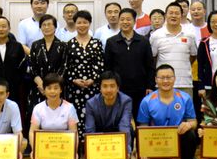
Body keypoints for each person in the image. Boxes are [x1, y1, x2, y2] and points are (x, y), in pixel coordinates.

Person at [137, 64, 199, 159]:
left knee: (190, 134)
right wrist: (143, 150)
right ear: (156, 80)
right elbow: (143, 127)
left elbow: (194, 121)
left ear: (174, 78)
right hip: (157, 143)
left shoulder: (185, 98)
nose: (165, 81)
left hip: (178, 138)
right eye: (161, 78)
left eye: (169, 77)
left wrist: (188, 125)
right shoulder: (147, 101)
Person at [64, 10, 104, 150]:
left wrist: (93, 79)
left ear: (90, 23)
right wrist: (74, 80)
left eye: (85, 22)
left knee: (93, 115)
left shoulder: (97, 43)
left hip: (93, 88)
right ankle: (78, 148)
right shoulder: (69, 44)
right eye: (79, 22)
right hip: (75, 89)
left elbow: (101, 64)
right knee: (76, 117)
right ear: (75, 24)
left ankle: (92, 147)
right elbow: (66, 66)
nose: (82, 25)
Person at [104, 8, 154, 119]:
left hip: (140, 89)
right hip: (119, 89)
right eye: (122, 19)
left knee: (140, 118)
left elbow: (150, 66)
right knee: (119, 118)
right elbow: (108, 67)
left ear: (134, 21)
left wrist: (150, 86)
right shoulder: (111, 42)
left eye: (128, 19)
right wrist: (110, 86)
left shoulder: (144, 41)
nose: (125, 22)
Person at [84, 71, 133, 159]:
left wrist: (126, 152)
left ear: (118, 88)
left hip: (117, 133)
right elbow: (90, 129)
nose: (109, 90)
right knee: (92, 132)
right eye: (105, 86)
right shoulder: (91, 103)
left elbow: (124, 125)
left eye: (112, 86)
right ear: (100, 88)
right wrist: (90, 154)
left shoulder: (126, 101)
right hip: (99, 133)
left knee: (130, 129)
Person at [29, 73, 78, 159]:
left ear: (61, 90)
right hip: (46, 146)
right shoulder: (38, 108)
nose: (52, 91)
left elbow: (74, 132)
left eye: (56, 88)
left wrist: (74, 151)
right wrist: (34, 150)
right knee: (40, 146)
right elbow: (32, 131)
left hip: (63, 146)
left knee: (72, 156)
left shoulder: (69, 108)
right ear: (44, 90)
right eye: (49, 88)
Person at [149, 2, 198, 98]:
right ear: (165, 15)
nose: (174, 16)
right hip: (163, 83)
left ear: (182, 15)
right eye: (171, 13)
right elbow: (153, 58)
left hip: (185, 84)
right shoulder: (156, 36)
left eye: (177, 13)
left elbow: (193, 56)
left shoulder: (190, 35)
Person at [29, 14, 67, 111]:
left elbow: (64, 67)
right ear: (40, 27)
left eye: (49, 24)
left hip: (56, 88)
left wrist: (51, 87)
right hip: (39, 87)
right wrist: (41, 84)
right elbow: (32, 67)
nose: (46, 27)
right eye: (44, 25)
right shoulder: (35, 45)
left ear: (55, 27)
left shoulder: (63, 45)